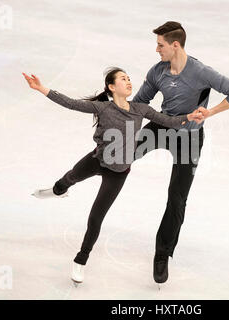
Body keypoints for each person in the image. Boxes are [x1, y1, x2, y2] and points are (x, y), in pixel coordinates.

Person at [22, 68, 205, 285]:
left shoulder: (141, 109)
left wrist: (189, 117)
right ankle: (57, 191)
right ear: (111, 87)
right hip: (96, 160)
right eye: (122, 79)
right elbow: (70, 103)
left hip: (118, 174)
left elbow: (167, 121)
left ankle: (81, 260)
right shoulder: (102, 107)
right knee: (69, 178)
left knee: (95, 218)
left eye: (129, 78)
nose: (128, 82)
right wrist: (41, 88)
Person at [132, 21, 229, 284]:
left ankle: (162, 254)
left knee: (177, 198)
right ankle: (66, 182)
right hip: (161, 126)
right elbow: (139, 103)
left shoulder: (201, 72)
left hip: (190, 139)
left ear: (175, 45)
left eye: (160, 45)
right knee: (117, 155)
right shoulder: (158, 71)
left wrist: (210, 112)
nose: (156, 49)